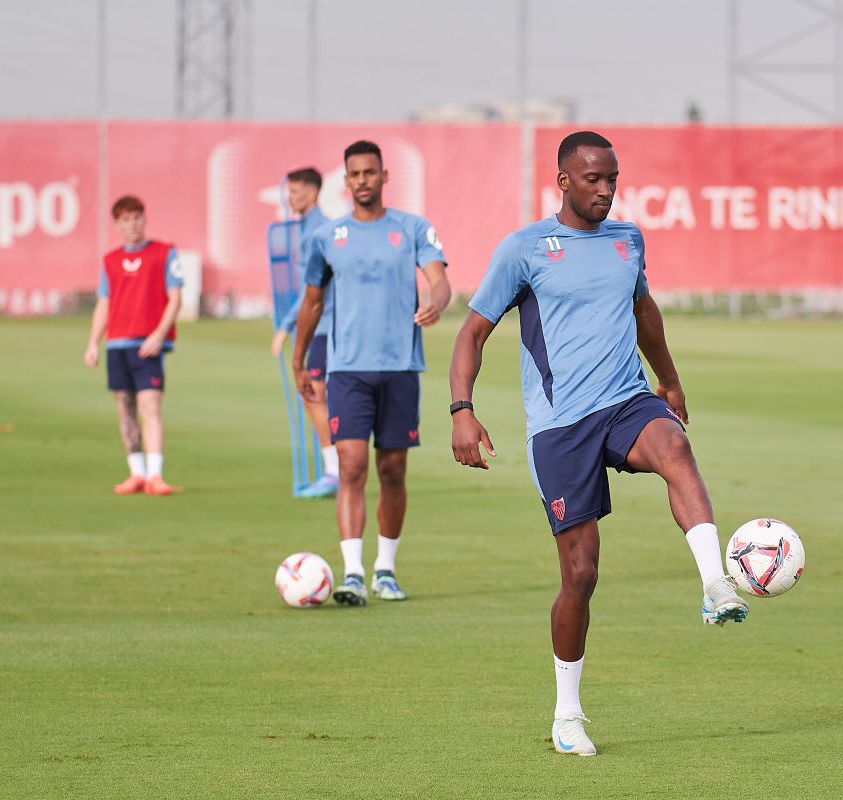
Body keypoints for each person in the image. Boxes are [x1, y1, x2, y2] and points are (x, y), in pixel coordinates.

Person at [449, 131, 748, 758]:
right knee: (581, 573)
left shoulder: (628, 240)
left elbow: (646, 315)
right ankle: (567, 714)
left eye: (612, 178)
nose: (606, 190)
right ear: (563, 180)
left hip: (626, 400)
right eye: (593, 179)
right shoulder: (525, 249)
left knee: (676, 448)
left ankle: (715, 582)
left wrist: (668, 379)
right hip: (560, 425)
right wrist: (462, 411)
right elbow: (472, 333)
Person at [293, 140, 451, 605]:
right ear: (346, 182)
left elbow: (439, 280)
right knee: (352, 467)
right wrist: (299, 359)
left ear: (384, 176)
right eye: (354, 174)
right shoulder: (327, 239)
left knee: (394, 469)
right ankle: (353, 573)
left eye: (370, 172)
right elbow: (313, 301)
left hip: (400, 367)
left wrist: (435, 303)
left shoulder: (413, 228)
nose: (362, 180)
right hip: (348, 370)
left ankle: (386, 568)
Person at [83, 195, 183, 496]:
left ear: (145, 218)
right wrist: (92, 342)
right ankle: (136, 472)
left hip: (148, 344)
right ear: (117, 225)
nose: (133, 224)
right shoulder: (110, 261)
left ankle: (155, 474)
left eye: (137, 217)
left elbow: (175, 297)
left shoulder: (165, 253)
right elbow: (104, 303)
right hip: (117, 343)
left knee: (150, 404)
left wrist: (158, 333)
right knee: (124, 407)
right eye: (126, 219)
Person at [270, 167, 339, 498]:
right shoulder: (306, 229)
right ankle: (338, 468)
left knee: (313, 394)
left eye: (296, 191)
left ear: (312, 194)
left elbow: (313, 289)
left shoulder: (318, 232)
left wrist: (284, 327)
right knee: (319, 395)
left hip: (325, 324)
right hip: (321, 325)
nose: (290, 197)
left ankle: (335, 470)